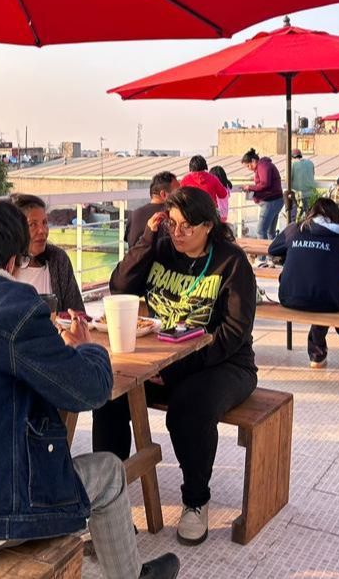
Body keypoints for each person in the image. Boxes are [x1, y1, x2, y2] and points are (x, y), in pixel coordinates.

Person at [0, 198, 180, 579]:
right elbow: (89, 391)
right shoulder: (15, 304)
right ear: (12, 260)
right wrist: (88, 348)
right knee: (108, 471)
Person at [93, 187, 257, 546]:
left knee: (189, 406)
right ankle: (109, 501)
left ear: (209, 226)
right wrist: (147, 240)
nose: (178, 233)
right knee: (109, 392)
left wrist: (177, 368)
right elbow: (119, 285)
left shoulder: (232, 263)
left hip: (223, 364)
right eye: (172, 224)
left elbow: (232, 333)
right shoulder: (161, 248)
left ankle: (196, 501)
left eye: (187, 226)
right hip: (162, 358)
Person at [267, 198, 339, 368]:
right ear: (335, 216)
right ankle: (334, 337)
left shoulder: (295, 229)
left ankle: (321, 349)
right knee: (325, 289)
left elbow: (272, 249)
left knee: (317, 285)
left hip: (289, 298)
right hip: (328, 302)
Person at [10, 193, 85, 313]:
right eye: (32, 224)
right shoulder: (4, 266)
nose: (42, 231)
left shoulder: (58, 260)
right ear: (16, 229)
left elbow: (77, 312)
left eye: (44, 222)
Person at [126, 171, 179, 248]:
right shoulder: (171, 215)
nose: (181, 195)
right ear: (163, 194)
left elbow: (129, 242)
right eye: (177, 192)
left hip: (135, 258)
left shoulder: (133, 214)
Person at [240, 148, 283, 240]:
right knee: (270, 232)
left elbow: (265, 184)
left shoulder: (263, 166)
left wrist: (250, 187)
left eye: (248, 166)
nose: (248, 169)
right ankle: (271, 253)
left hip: (271, 202)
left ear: (253, 161)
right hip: (276, 200)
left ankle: (262, 254)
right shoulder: (264, 166)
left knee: (260, 230)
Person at [289, 149, 316, 219]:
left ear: (291, 157)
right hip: (310, 194)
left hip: (298, 194)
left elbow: (288, 178)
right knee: (310, 216)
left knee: (293, 217)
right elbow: (313, 174)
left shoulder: (293, 164)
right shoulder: (310, 163)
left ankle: (294, 228)